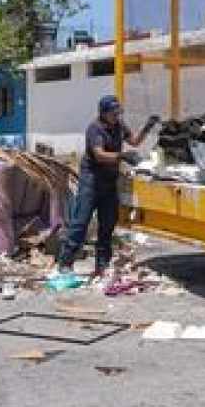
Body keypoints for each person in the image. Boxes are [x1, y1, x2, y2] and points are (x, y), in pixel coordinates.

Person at [57, 95, 158, 276]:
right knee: (80, 223)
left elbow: (134, 141)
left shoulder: (119, 125)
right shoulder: (94, 129)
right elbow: (99, 155)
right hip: (91, 182)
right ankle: (65, 262)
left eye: (118, 113)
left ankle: (102, 265)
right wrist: (121, 156)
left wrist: (147, 127)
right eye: (113, 113)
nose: (116, 116)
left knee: (107, 226)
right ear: (103, 113)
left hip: (110, 183)